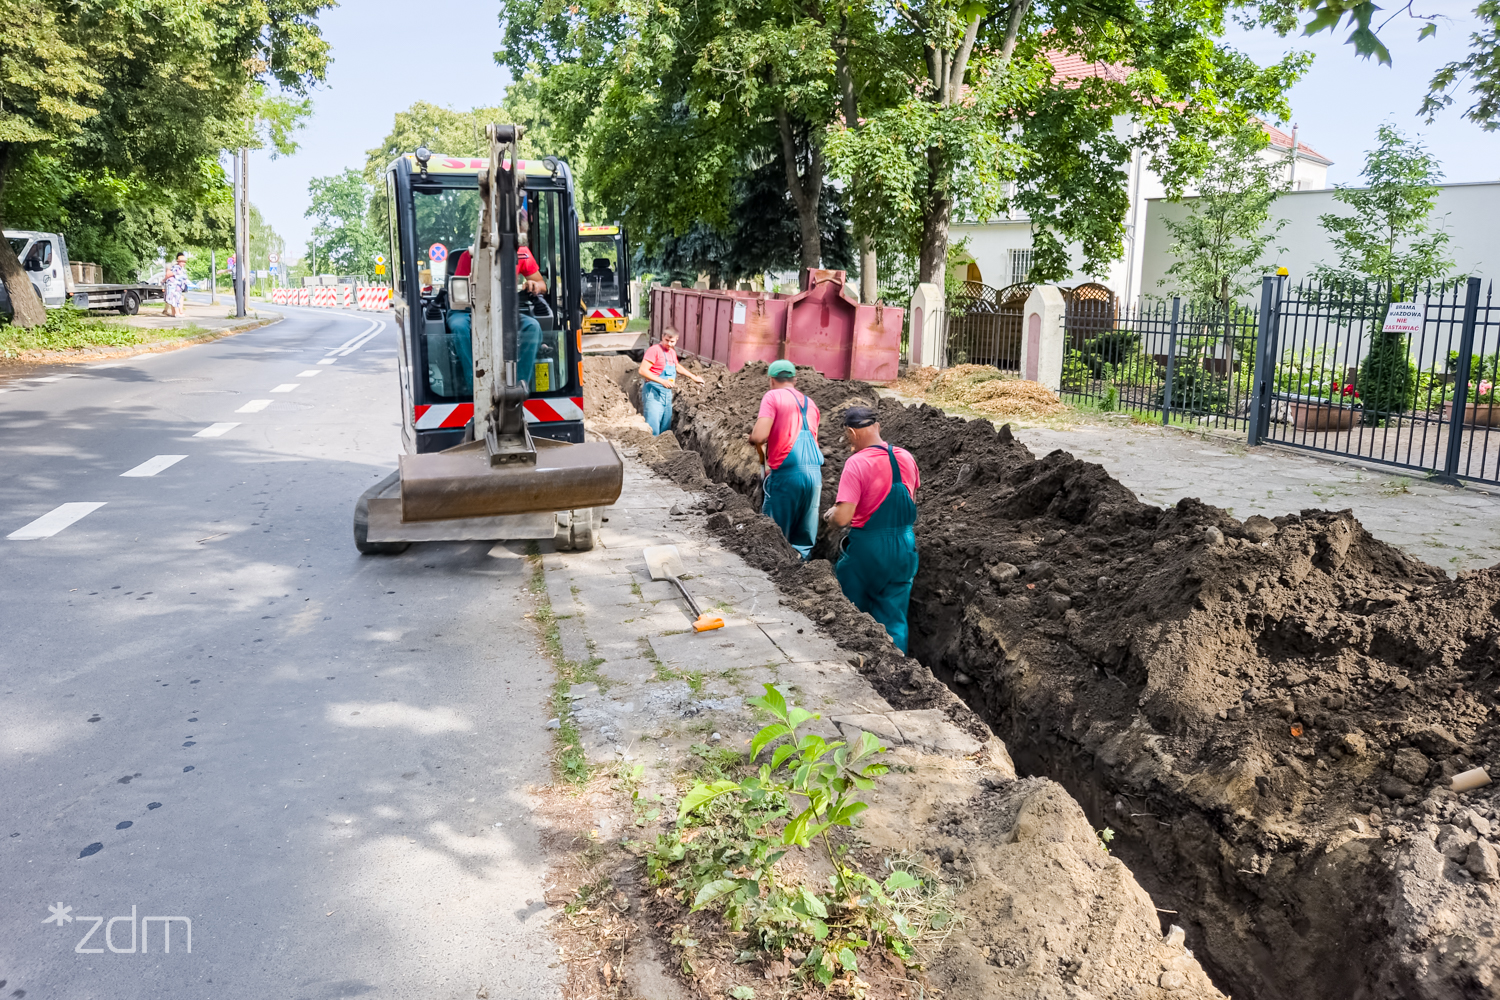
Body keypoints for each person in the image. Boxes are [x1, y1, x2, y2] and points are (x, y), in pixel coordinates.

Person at [824, 406, 920, 653]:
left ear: (852, 433)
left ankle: (850, 663)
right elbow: (912, 500)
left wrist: (831, 516)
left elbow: (844, 517)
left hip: (868, 550)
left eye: (847, 436)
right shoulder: (906, 457)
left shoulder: (857, 463)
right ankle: (899, 668)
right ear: (877, 427)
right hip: (904, 547)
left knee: (850, 613)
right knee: (894, 617)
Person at [747, 360, 824, 558]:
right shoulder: (811, 404)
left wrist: (753, 438)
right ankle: (800, 575)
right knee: (803, 538)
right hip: (814, 476)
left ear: (771, 380)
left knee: (774, 536)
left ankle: (772, 579)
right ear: (795, 380)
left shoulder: (772, 396)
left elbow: (759, 436)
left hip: (786, 475)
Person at [449, 245, 547, 389]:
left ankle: (519, 386)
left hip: (503, 310)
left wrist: (535, 285)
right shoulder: (469, 256)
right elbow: (459, 294)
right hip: (467, 310)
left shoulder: (521, 254)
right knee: (459, 327)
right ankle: (475, 385)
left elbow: (542, 284)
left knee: (532, 326)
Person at [638, 328, 704, 435]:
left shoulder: (672, 352)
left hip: (667, 395)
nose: (669, 343)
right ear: (662, 337)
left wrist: (694, 377)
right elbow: (642, 370)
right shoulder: (654, 350)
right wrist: (662, 381)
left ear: (676, 340)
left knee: (666, 428)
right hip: (653, 393)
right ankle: (652, 450)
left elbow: (677, 367)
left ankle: (664, 450)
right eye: (666, 340)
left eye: (672, 341)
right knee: (653, 426)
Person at [163, 252, 188, 317]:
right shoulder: (177, 268)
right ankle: (177, 313)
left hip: (176, 286)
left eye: (184, 262)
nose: (184, 263)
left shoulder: (179, 268)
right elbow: (169, 274)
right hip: (175, 286)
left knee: (174, 299)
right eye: (182, 262)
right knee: (176, 299)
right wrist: (163, 280)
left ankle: (174, 313)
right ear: (179, 261)